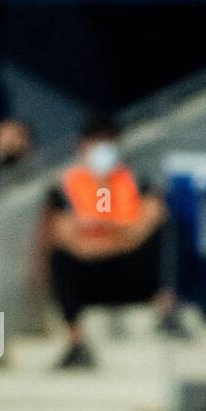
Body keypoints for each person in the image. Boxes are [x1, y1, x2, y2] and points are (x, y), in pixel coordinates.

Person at [42, 116, 174, 370]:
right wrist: (120, 236)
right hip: (89, 280)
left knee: (161, 238)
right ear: (83, 146)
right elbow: (66, 239)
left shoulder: (134, 181)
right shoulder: (65, 188)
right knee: (60, 259)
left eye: (109, 144)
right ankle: (76, 341)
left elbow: (150, 221)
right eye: (97, 144)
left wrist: (99, 233)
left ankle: (167, 314)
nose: (104, 152)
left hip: (130, 276)